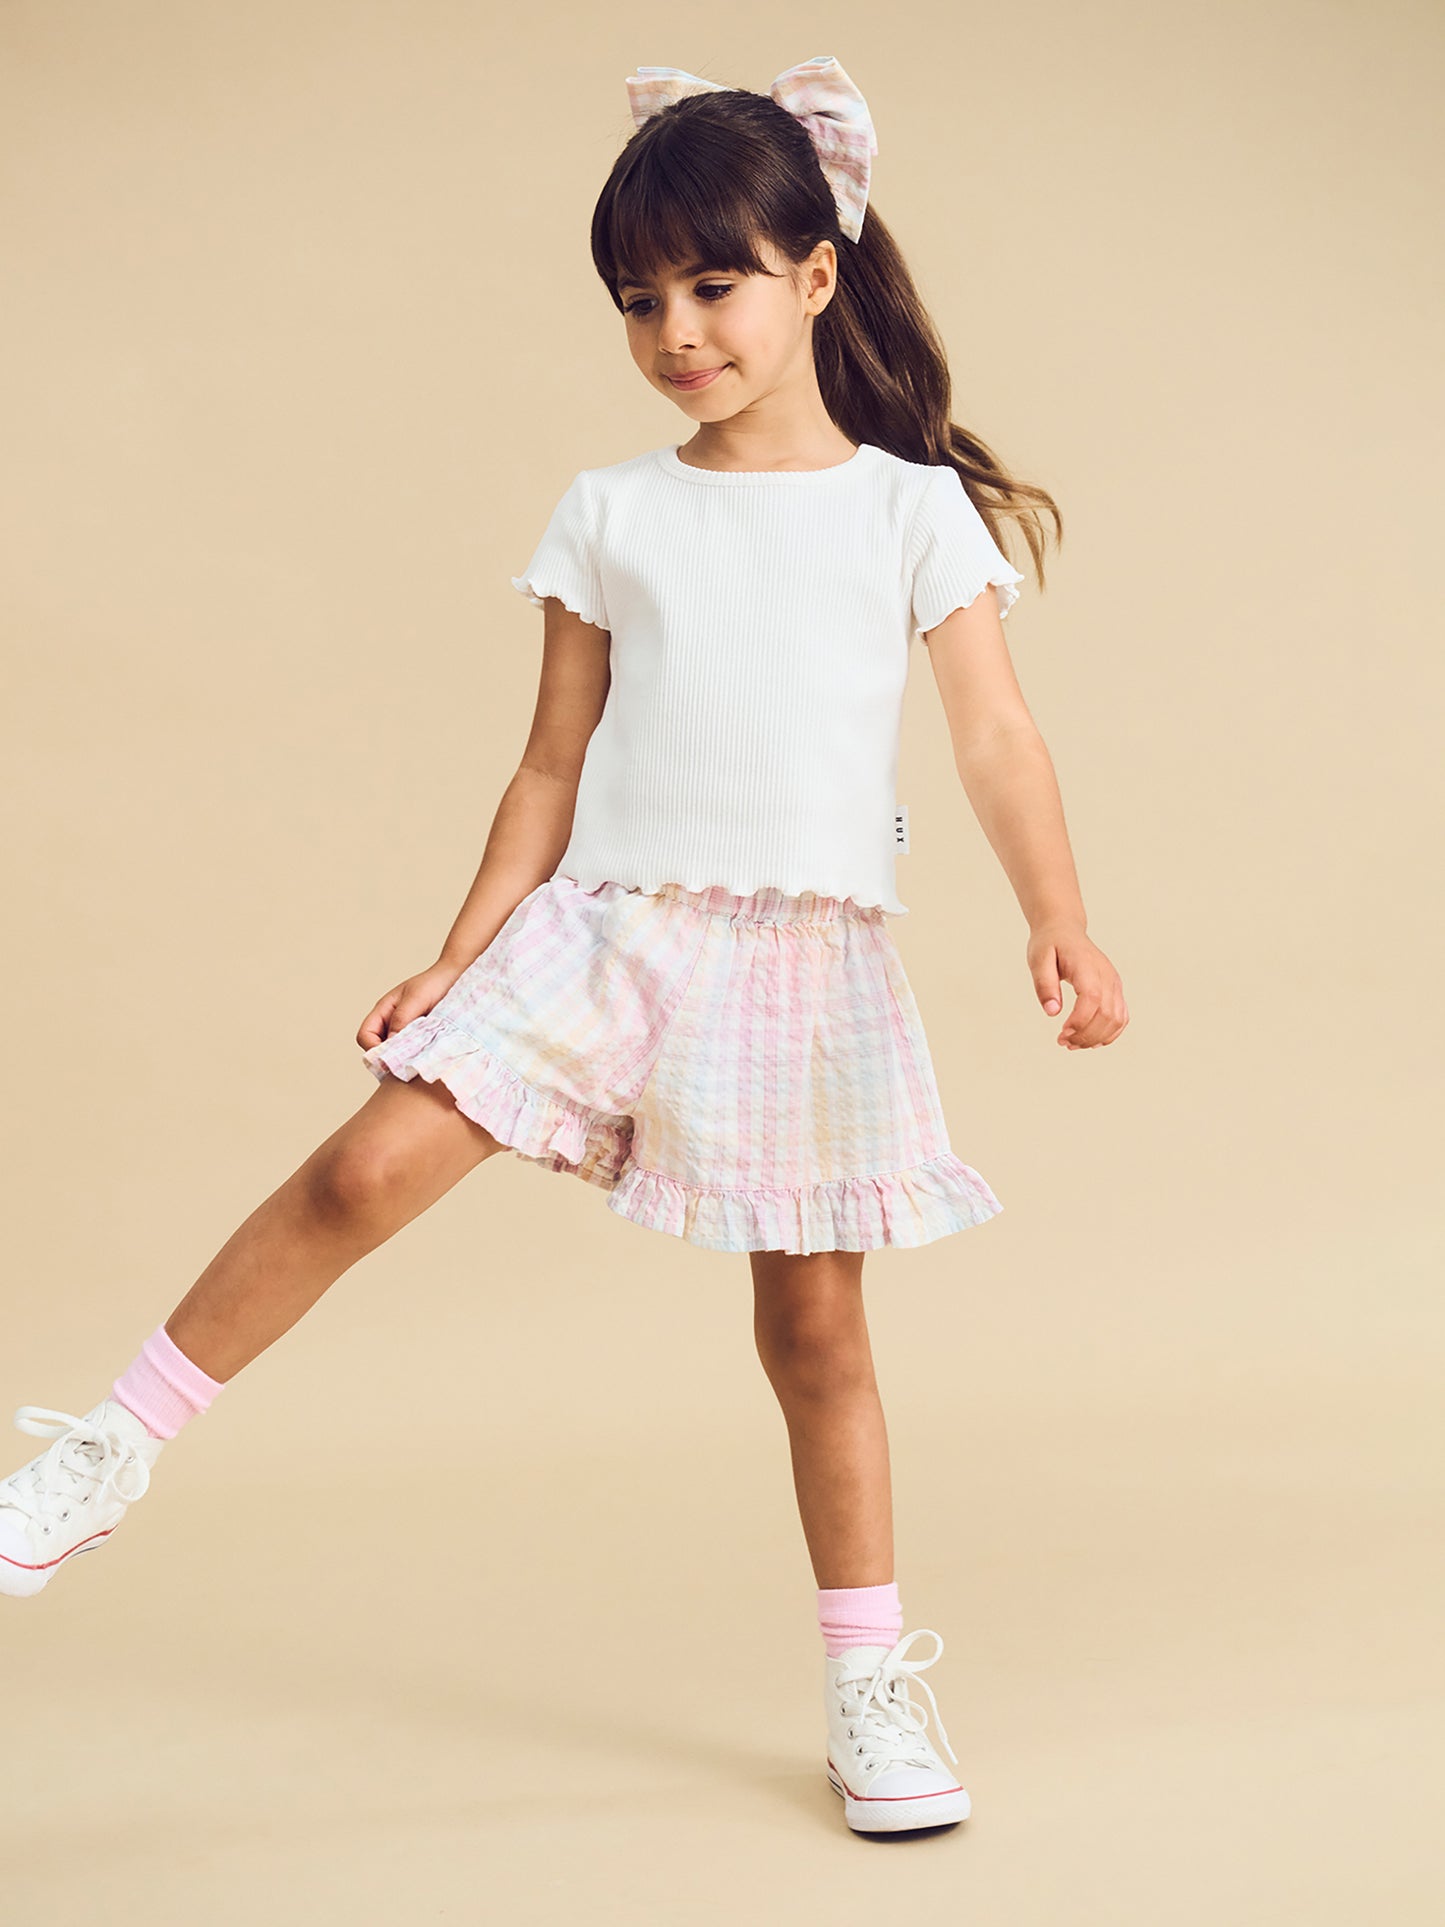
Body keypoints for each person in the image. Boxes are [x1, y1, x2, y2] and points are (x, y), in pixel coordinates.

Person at [0, 55, 1128, 1834]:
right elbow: (548, 762)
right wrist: (460, 956)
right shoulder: (612, 511)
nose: (675, 331)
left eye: (712, 285)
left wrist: (1056, 917)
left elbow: (995, 736)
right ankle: (102, 1453)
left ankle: (867, 1689)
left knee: (813, 1332)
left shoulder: (906, 510)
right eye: (638, 299)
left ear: (814, 274)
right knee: (360, 1172)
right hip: (603, 930)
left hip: (798, 962)